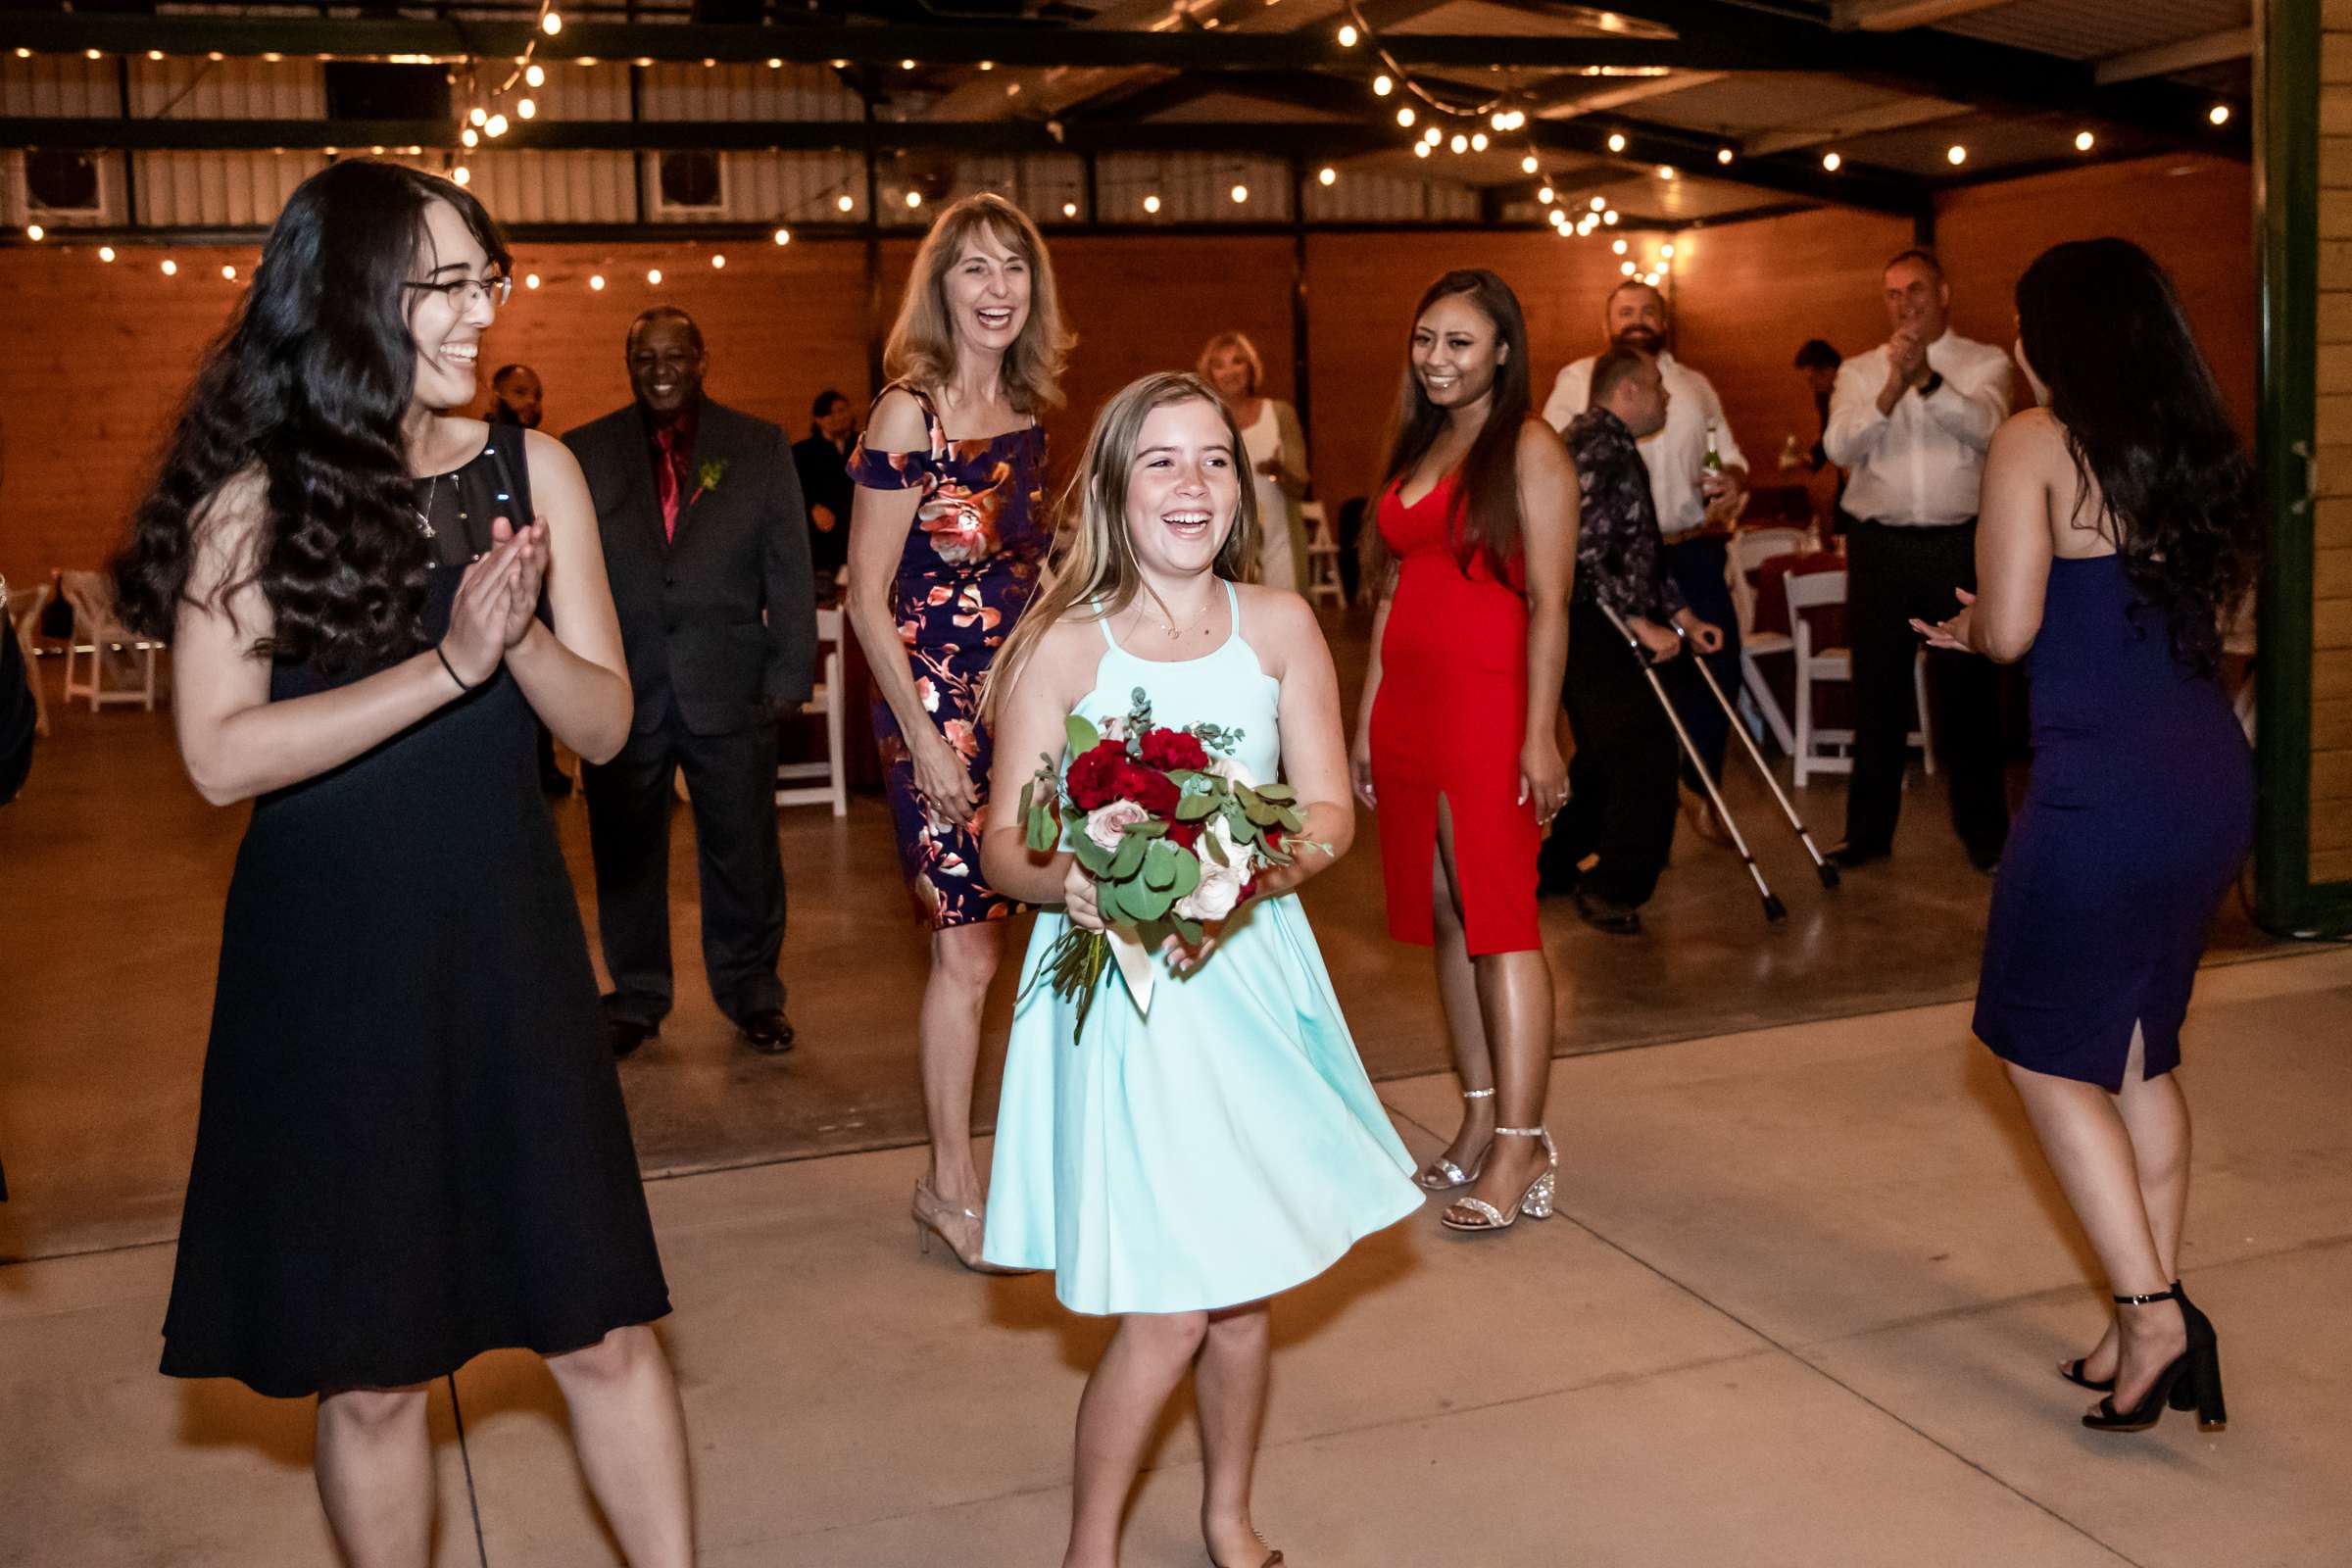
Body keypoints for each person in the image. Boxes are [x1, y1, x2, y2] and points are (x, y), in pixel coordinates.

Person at [110, 159, 689, 1565]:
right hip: (328, 971)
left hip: (506, 948)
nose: (477, 313)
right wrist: (450, 664)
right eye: (444, 282)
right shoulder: (256, 501)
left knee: (601, 1327)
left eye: (485, 280)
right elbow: (218, 755)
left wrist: (527, 635)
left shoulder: (529, 467)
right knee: (370, 1375)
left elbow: (611, 728)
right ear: (357, 297)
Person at [978, 370, 1420, 1568]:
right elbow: (1001, 847)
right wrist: (1073, 873)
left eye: (1215, 459)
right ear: (1117, 483)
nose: (1192, 484)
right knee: (1173, 1306)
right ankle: (1091, 1552)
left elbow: (1327, 810)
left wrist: (1246, 873)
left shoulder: (1279, 627)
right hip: (1121, 997)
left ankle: (1227, 1518)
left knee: (1241, 1284)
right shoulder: (1061, 650)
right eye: (1163, 459)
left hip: (1247, 976)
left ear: (1244, 482)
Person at [1915, 239, 2255, 1436]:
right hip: (2207, 777)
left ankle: (2154, 1311)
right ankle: (2141, 1318)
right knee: (2138, 1056)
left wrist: (1972, 632)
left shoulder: (2034, 438)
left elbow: (2011, 631)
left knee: (2043, 1053)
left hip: (2101, 793)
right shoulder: (2195, 445)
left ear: (2050, 336)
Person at [846, 193, 1067, 1269]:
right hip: (928, 705)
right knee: (967, 951)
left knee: (1052, 928)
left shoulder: (1027, 406)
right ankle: (950, 1179)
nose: (996, 291)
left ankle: (1043, 1155)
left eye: (1012, 270)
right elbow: (863, 597)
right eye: (974, 270)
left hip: (1027, 698)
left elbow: (1035, 564)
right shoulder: (906, 413)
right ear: (940, 288)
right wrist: (925, 741)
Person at [1352, 269, 1577, 1232]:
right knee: (1446, 913)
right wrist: (1367, 714)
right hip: (1410, 706)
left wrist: (1539, 732)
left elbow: (1555, 602)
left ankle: (1525, 1138)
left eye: (1459, 343)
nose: (1436, 359)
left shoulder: (1528, 447)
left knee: (1499, 916)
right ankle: (1481, 1117)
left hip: (1491, 705)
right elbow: (1396, 590)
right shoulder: (1422, 441)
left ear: (1502, 352)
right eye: (1425, 339)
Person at [565, 307, 816, 1058]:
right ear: (628, 363)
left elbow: (790, 567)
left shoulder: (759, 445)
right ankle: (637, 996)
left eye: (675, 355)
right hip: (623, 691)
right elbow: (569, 576)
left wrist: (789, 670)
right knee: (625, 853)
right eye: (645, 358)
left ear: (702, 359)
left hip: (732, 686)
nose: (661, 370)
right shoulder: (584, 452)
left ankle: (752, 993)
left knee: (744, 851)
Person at [1823, 248, 2015, 872]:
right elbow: (1838, 444)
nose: (1904, 305)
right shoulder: (1857, 371)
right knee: (1876, 695)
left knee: (1968, 700)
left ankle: (1986, 838)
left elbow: (1991, 429)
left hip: (1956, 546)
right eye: (1892, 295)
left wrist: (1928, 382)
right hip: (1879, 548)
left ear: (1944, 292)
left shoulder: (1984, 362)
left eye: (1916, 291)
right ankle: (1868, 835)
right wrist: (1890, 389)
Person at [1542, 280, 1745, 840]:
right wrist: (1637, 618)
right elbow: (1560, 480)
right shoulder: (1583, 393)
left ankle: (1698, 785)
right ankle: (1608, 834)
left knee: (1718, 669)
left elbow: (1730, 457)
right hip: (1605, 576)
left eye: (1647, 311)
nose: (1637, 319)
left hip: (1680, 551)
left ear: (1663, 320)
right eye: (1624, 311)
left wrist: (1731, 480)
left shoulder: (1692, 384)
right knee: (1627, 718)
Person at [1540, 349, 1723, 935]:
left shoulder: (1613, 445)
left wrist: (1681, 614)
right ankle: (1614, 885)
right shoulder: (1595, 448)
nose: (1667, 398)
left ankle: (1555, 865)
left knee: (1602, 752)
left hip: (1600, 620)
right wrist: (1636, 620)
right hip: (1595, 625)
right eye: (1657, 387)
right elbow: (1578, 549)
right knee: (1644, 753)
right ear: (1627, 393)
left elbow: (1640, 549)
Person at [1200, 330, 1310, 593]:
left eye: (1237, 361)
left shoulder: (1279, 413)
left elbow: (1301, 485)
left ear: (1251, 367)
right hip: (1223, 544)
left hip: (1279, 538)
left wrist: (1279, 470)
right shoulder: (1203, 419)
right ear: (1210, 374)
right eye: (1219, 365)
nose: (1230, 371)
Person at [793, 388, 858, 593]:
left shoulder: (864, 446)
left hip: (858, 534)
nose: (837, 417)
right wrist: (812, 508)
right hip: (823, 543)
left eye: (842, 410)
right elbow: (794, 489)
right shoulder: (802, 451)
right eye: (830, 413)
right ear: (818, 419)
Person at [488, 362, 544, 430]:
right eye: (520, 392)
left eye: (537, 396)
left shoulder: (543, 440)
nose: (532, 401)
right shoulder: (476, 437)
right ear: (495, 396)